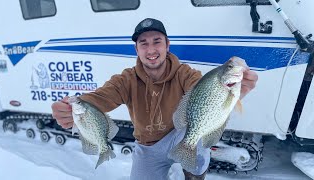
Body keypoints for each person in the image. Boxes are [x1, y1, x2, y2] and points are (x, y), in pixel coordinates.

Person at [51, 18, 258, 180]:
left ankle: (194, 176)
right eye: (144, 44)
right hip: (147, 147)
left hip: (178, 135)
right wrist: (73, 107)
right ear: (137, 49)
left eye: (157, 42)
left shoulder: (184, 73)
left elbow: (202, 91)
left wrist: (235, 91)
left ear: (167, 45)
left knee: (199, 138)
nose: (151, 50)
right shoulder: (126, 80)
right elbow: (100, 97)